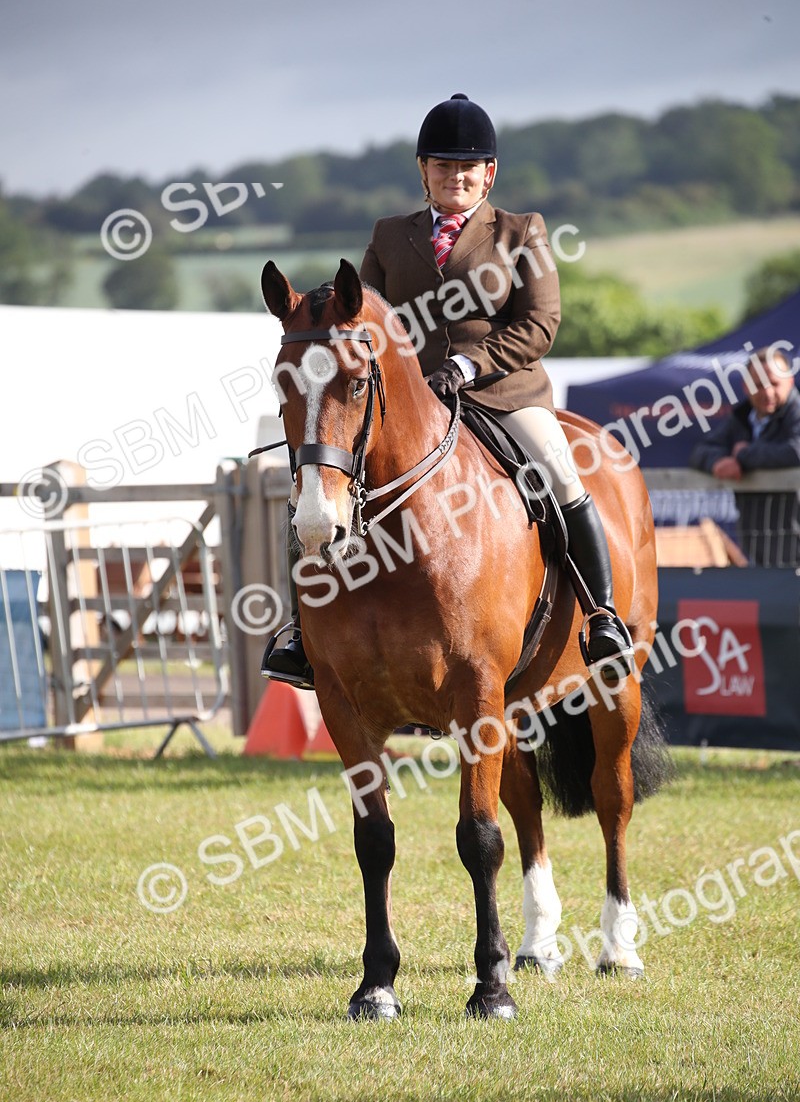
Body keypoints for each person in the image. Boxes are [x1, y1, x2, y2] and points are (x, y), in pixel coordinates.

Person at [264, 93, 633, 687]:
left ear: (488, 174)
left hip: (503, 396)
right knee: (317, 491)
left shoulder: (521, 232)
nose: (454, 176)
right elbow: (364, 320)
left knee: (559, 472)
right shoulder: (389, 236)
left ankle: (602, 614)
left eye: (467, 168)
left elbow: (540, 324)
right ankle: (302, 634)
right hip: (411, 404)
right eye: (442, 166)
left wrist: (466, 365)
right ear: (423, 172)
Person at [689, 346, 800, 566]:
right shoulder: (741, 418)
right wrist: (719, 462)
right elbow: (700, 451)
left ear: (790, 381)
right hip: (757, 541)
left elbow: (795, 451)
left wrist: (743, 456)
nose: (767, 392)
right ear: (745, 387)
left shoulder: (796, 413)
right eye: (758, 385)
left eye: (774, 383)